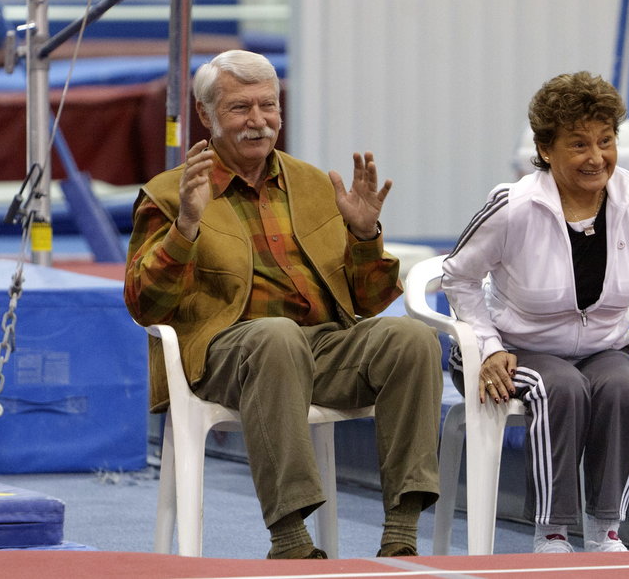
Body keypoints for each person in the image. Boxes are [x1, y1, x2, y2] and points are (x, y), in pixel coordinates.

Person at [125, 50, 441, 559]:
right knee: (277, 335)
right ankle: (290, 541)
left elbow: (369, 301)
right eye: (239, 108)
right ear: (206, 115)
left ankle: (401, 536)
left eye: (267, 106)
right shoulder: (170, 194)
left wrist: (364, 236)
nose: (258, 121)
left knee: (411, 338)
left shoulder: (315, 184)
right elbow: (145, 305)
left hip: (320, 348)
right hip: (226, 354)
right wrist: (185, 227)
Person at [441, 71, 629, 554]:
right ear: (545, 150)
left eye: (606, 141)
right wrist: (487, 345)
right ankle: (553, 533)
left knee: (624, 388)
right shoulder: (512, 206)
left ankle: (606, 530)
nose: (596, 157)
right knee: (561, 387)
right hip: (513, 350)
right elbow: (457, 276)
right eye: (579, 144)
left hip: (602, 345)